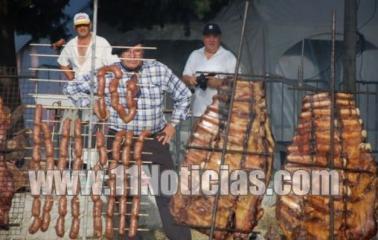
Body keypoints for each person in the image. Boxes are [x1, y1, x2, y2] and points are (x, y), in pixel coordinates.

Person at [63, 36, 192, 240]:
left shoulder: (158, 69)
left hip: (155, 138)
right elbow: (70, 89)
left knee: (168, 191)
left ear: (144, 53)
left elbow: (184, 95)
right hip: (120, 141)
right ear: (120, 53)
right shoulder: (107, 72)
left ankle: (180, 238)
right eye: (127, 51)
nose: (132, 56)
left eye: (138, 51)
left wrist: (173, 125)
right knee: (125, 194)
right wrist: (93, 103)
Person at [182, 23, 237, 118]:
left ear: (220, 38)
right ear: (203, 38)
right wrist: (190, 79)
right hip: (198, 112)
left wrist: (220, 83)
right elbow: (184, 77)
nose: (211, 40)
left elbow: (239, 83)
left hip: (220, 115)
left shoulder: (229, 57)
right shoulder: (195, 54)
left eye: (215, 36)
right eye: (208, 36)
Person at [57, 12, 118, 80]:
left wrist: (102, 73)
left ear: (90, 25)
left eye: (85, 25)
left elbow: (113, 63)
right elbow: (62, 62)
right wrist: (71, 78)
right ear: (74, 28)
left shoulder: (101, 42)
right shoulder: (70, 45)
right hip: (77, 85)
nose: (82, 28)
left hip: (98, 82)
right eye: (79, 25)